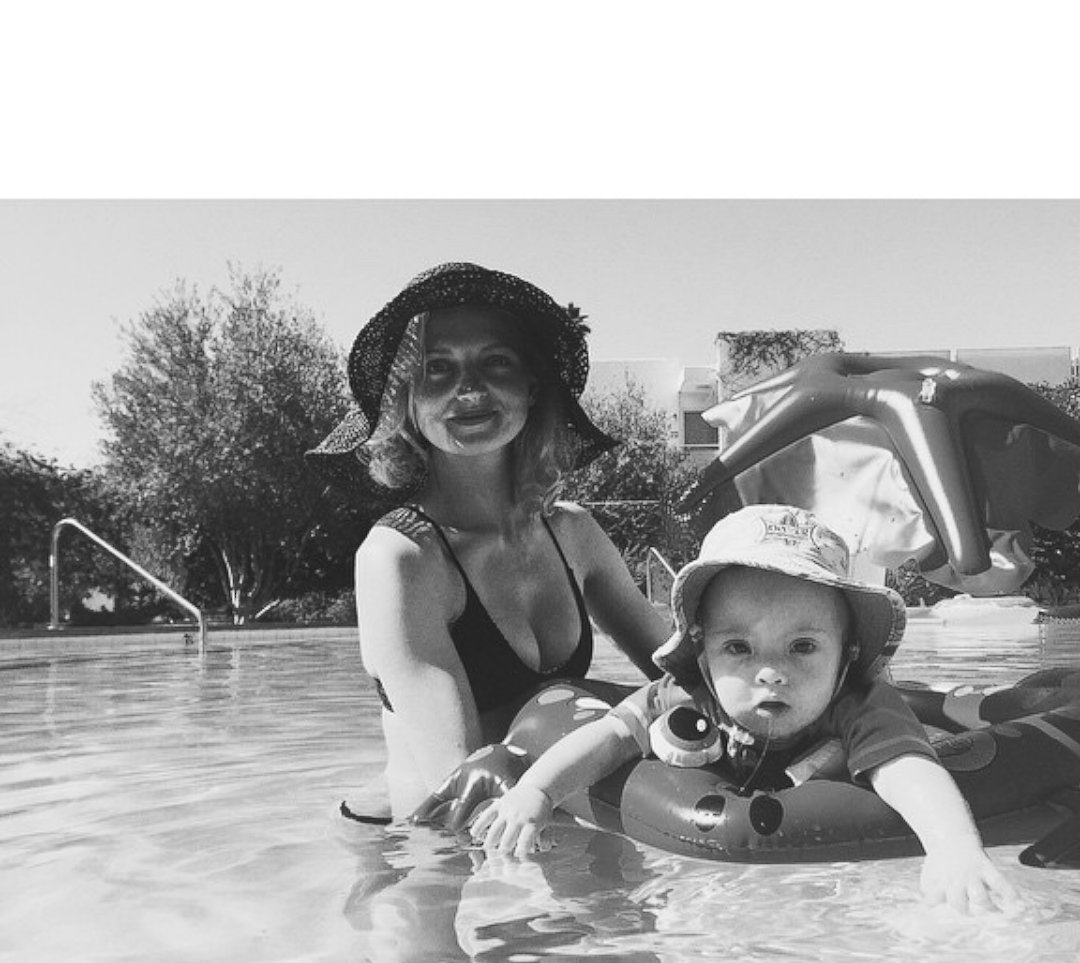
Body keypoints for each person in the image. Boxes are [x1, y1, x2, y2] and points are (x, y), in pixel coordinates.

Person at [470, 505, 1022, 915]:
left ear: (846, 657)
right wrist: (537, 792)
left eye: (802, 647)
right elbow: (610, 735)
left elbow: (909, 769)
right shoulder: (688, 694)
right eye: (739, 648)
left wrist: (954, 850)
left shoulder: (862, 705)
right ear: (703, 655)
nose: (771, 671)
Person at [306, 262, 668, 823]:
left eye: (494, 362)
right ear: (408, 400)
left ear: (531, 384)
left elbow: (682, 670)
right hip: (420, 852)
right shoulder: (401, 559)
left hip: (534, 819)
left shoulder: (574, 534)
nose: (468, 389)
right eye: (438, 369)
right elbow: (460, 777)